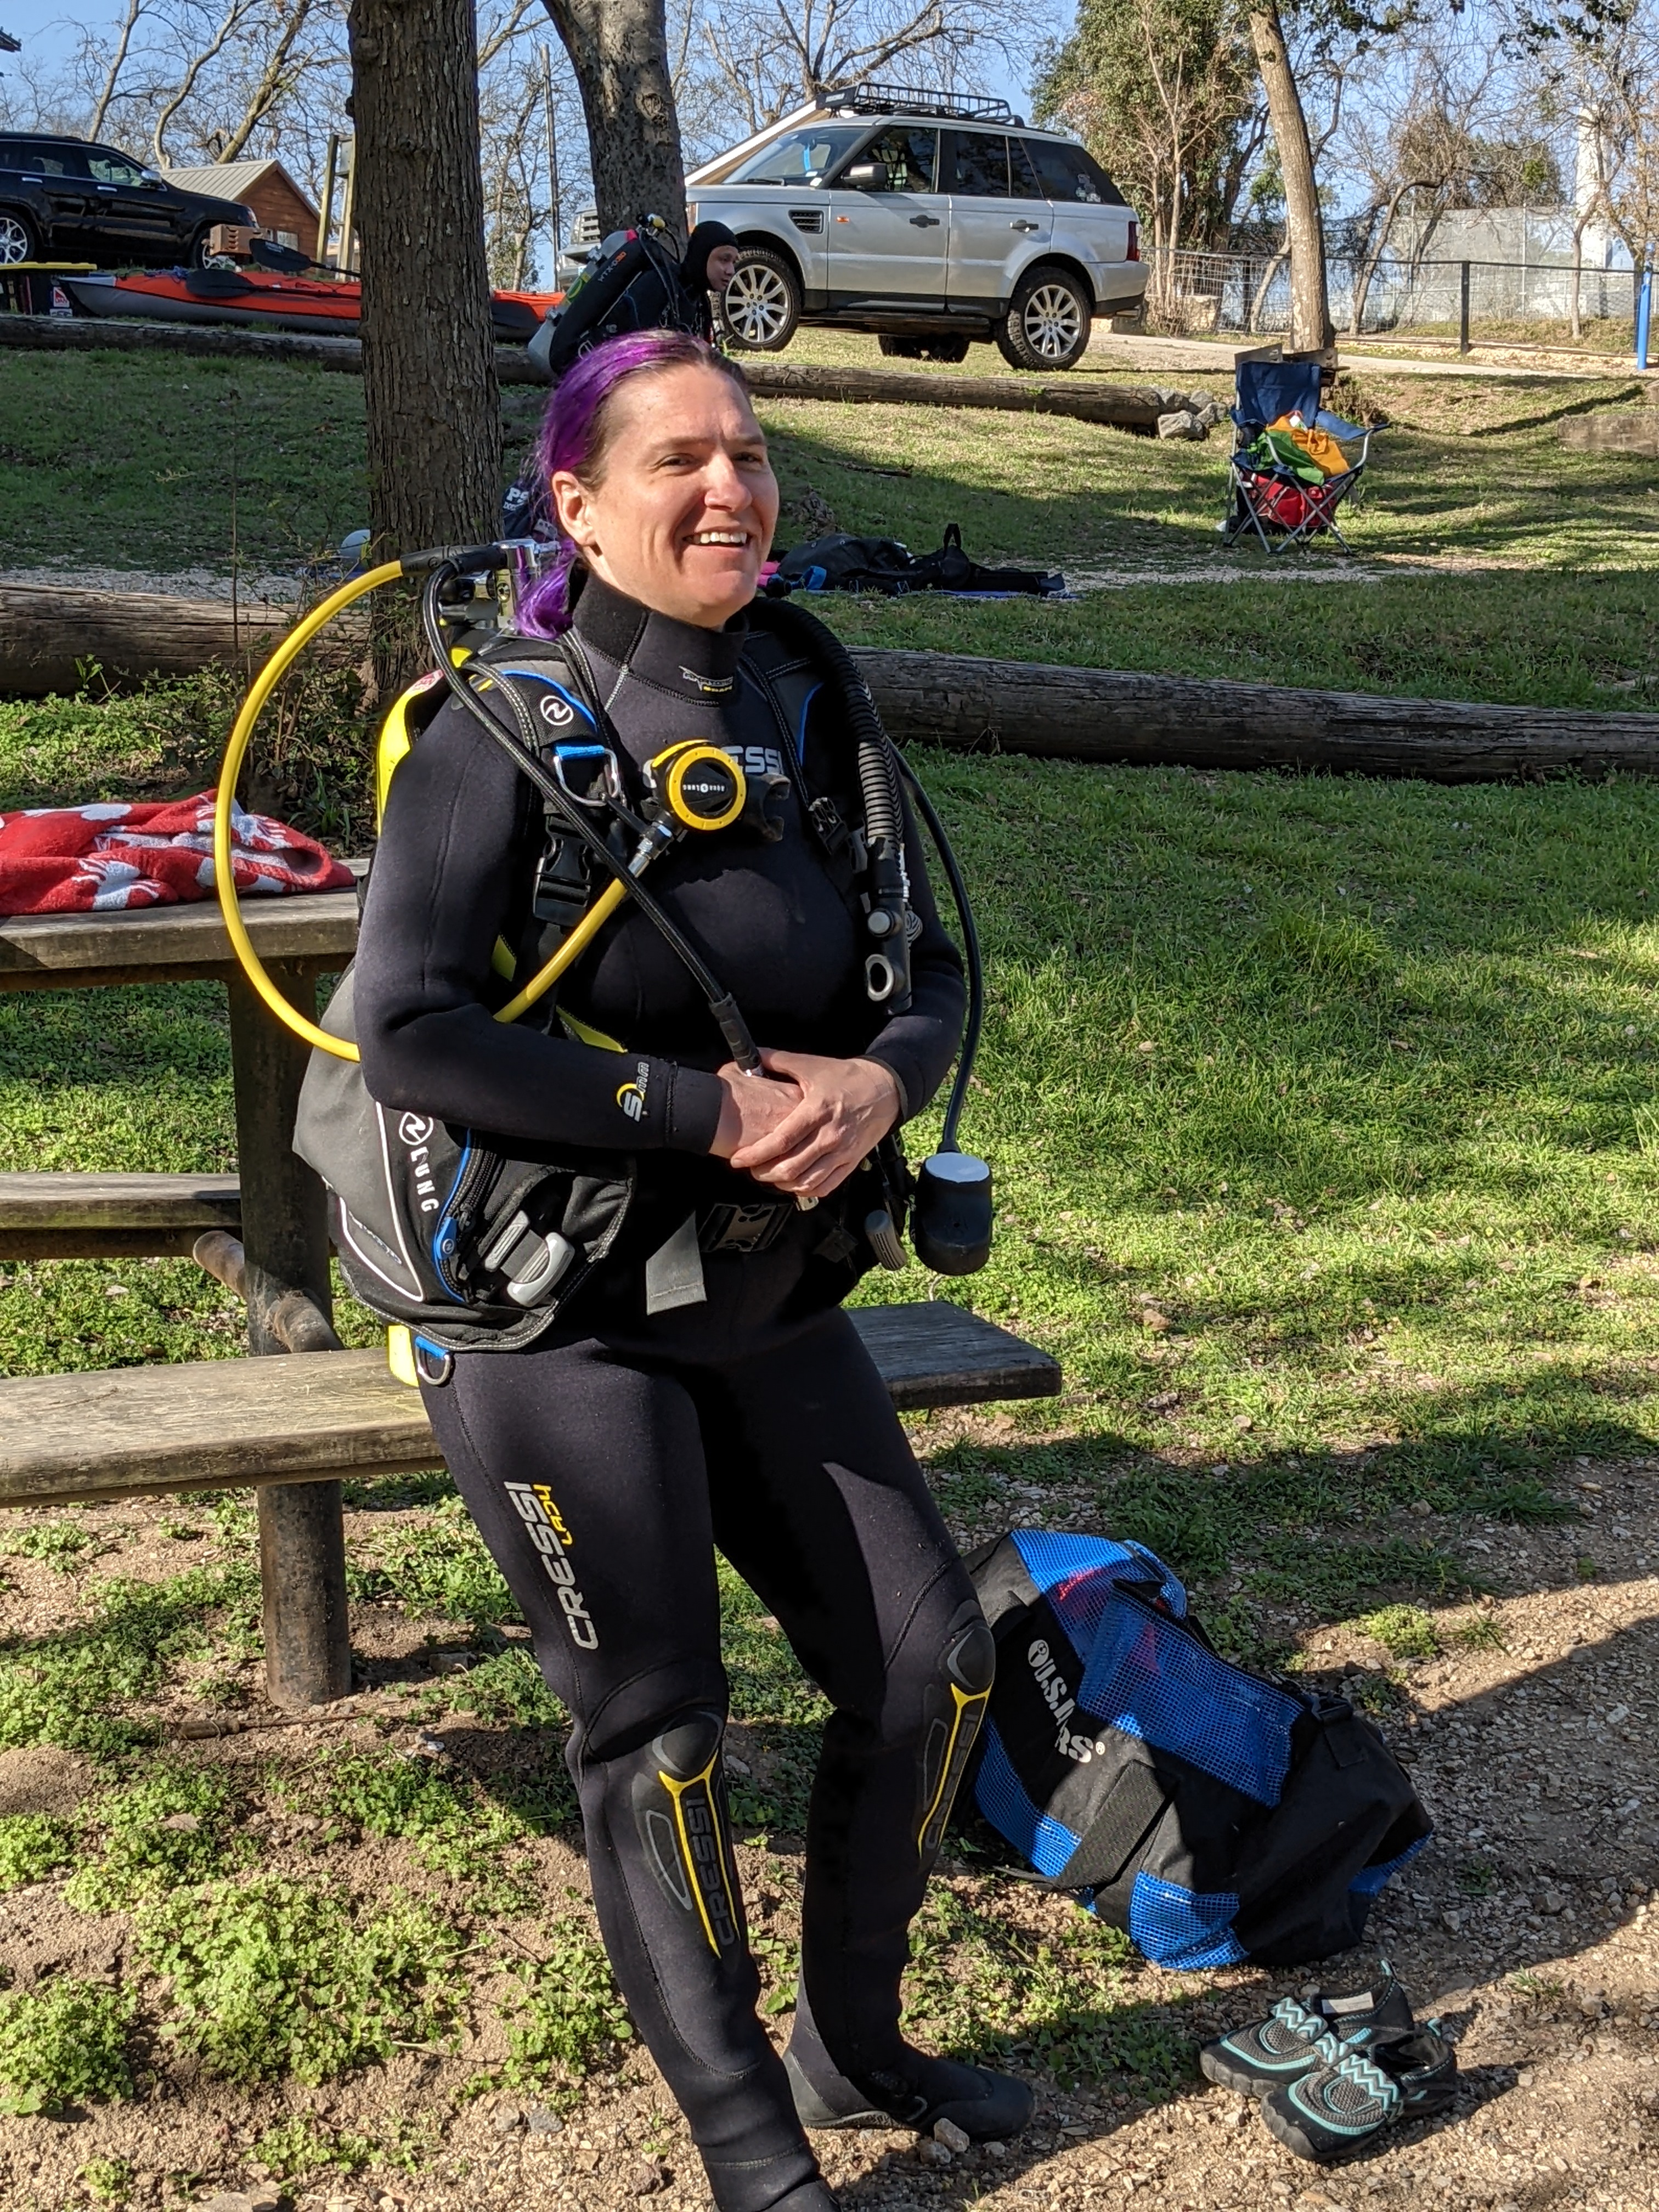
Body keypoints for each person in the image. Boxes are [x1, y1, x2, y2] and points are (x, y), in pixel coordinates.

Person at [353, 328, 1031, 2212]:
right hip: (551, 1314)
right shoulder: (498, 732)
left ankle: (857, 2042)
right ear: (576, 502)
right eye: (681, 460)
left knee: (934, 1671)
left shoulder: (810, 703)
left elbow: (934, 970)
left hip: (763, 1297)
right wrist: (695, 1111)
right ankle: (754, 2154)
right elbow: (406, 1027)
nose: (733, 485)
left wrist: (870, 1080)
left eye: (750, 449)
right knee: (655, 1727)